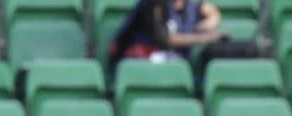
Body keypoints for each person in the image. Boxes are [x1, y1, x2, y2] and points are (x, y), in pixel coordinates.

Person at [108, 0, 256, 79]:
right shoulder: (154, 4)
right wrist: (205, 37)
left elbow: (211, 10)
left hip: (176, 61)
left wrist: (209, 22)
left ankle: (256, 50)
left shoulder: (189, 5)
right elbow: (165, 39)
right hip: (143, 56)